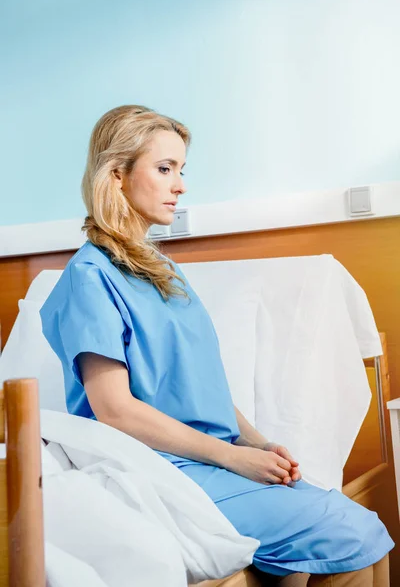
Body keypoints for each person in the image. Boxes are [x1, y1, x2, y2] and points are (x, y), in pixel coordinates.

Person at [40, 105, 394, 586]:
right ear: (117, 175)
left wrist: (258, 443)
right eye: (165, 169)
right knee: (352, 530)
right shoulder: (89, 279)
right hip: (159, 467)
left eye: (181, 171)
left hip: (209, 458)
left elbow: (202, 388)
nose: (180, 185)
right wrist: (232, 457)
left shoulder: (165, 274)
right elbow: (115, 410)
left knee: (355, 539)